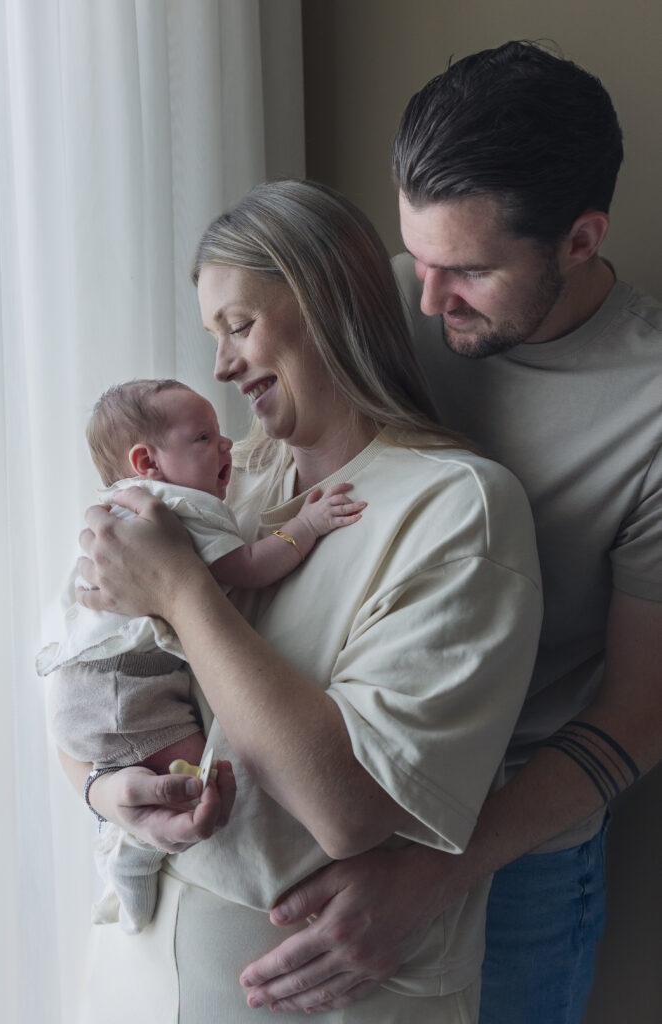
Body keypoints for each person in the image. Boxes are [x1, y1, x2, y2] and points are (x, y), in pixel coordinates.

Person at [232, 42, 662, 1024]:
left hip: (513, 850)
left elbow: (638, 711)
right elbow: (228, 505)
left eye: (463, 271)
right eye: (414, 258)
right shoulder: (368, 302)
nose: (421, 302)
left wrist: (432, 874)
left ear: (578, 239)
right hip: (305, 793)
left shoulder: (647, 410)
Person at [63, 179, 543, 1023]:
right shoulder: (215, 484)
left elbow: (347, 807)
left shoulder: (453, 506)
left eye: (239, 326)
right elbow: (80, 673)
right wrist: (108, 789)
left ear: (327, 306)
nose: (219, 365)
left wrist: (182, 590)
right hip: (134, 974)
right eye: (214, 334)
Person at [39, 377, 365, 933]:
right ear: (146, 461)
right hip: (124, 687)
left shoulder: (114, 511)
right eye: (204, 437)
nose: (227, 447)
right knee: (193, 787)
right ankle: (132, 856)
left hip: (88, 687)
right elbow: (248, 568)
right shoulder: (174, 509)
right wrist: (305, 526)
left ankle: (121, 843)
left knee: (153, 776)